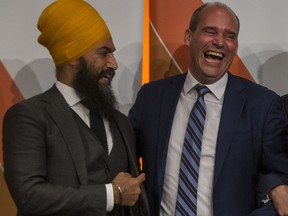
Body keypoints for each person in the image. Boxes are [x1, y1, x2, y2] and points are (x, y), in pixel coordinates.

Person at [129, 2, 288, 216]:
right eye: (210, 31)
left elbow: (278, 176)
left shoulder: (263, 104)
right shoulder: (151, 97)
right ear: (188, 37)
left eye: (230, 36)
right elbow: (125, 162)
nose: (220, 42)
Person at [3, 0, 149, 215]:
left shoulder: (120, 121)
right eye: (103, 53)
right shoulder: (29, 116)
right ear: (72, 57)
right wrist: (112, 194)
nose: (113, 64)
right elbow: (29, 195)